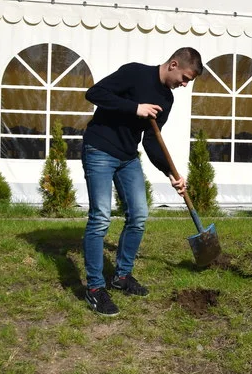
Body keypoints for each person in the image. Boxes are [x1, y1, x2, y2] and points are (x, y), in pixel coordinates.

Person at [80, 47, 204, 316]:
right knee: (100, 217)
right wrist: (134, 107)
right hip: (99, 149)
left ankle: (121, 276)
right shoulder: (135, 73)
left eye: (188, 82)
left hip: (127, 157)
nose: (184, 85)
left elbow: (151, 140)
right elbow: (94, 94)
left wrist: (170, 173)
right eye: (184, 78)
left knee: (139, 215)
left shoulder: (167, 100)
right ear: (173, 64)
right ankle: (94, 288)